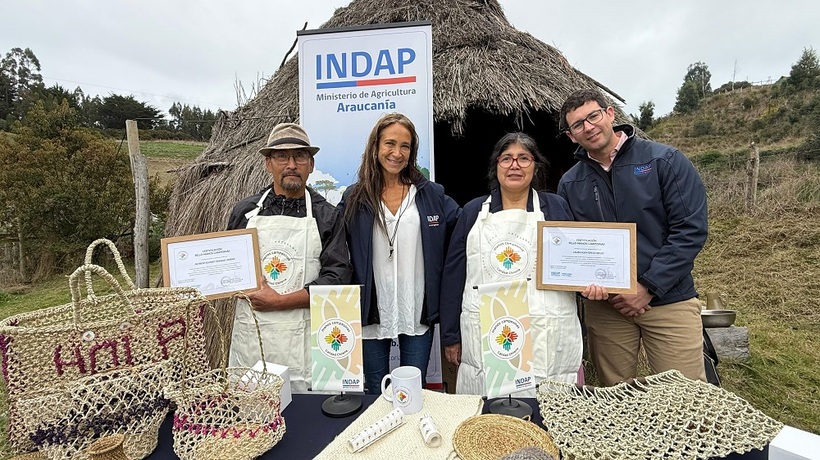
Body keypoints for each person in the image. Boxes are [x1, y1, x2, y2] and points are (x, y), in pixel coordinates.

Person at [557, 88, 708, 386]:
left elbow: (690, 229)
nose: (588, 127)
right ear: (571, 136)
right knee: (616, 396)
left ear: (610, 114)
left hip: (669, 301)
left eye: (593, 116)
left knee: (685, 394)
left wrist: (648, 286)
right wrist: (586, 288)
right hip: (607, 309)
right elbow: (570, 247)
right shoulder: (570, 183)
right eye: (578, 124)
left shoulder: (664, 160)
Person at [439, 132, 590, 396]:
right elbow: (454, 274)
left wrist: (588, 285)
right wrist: (451, 336)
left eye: (524, 158)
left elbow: (573, 263)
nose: (515, 165)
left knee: (546, 403)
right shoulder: (473, 212)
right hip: (490, 330)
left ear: (535, 166)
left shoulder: (555, 207)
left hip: (546, 330)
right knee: (491, 406)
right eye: (506, 158)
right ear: (496, 166)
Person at [337, 113, 461, 395]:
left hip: (417, 308)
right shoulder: (354, 197)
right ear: (375, 147)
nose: (397, 153)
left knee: (413, 389)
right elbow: (334, 245)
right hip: (371, 310)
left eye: (405, 146)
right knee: (375, 389)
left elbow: (463, 228)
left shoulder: (431, 194)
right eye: (390, 143)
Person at [226, 122, 352, 393]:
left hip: (304, 341)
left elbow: (337, 278)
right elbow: (229, 267)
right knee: (253, 409)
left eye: (300, 156)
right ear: (268, 163)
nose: (291, 165)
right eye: (282, 156)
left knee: (306, 412)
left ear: (311, 164)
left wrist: (280, 301)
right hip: (253, 338)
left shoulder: (327, 215)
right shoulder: (244, 212)